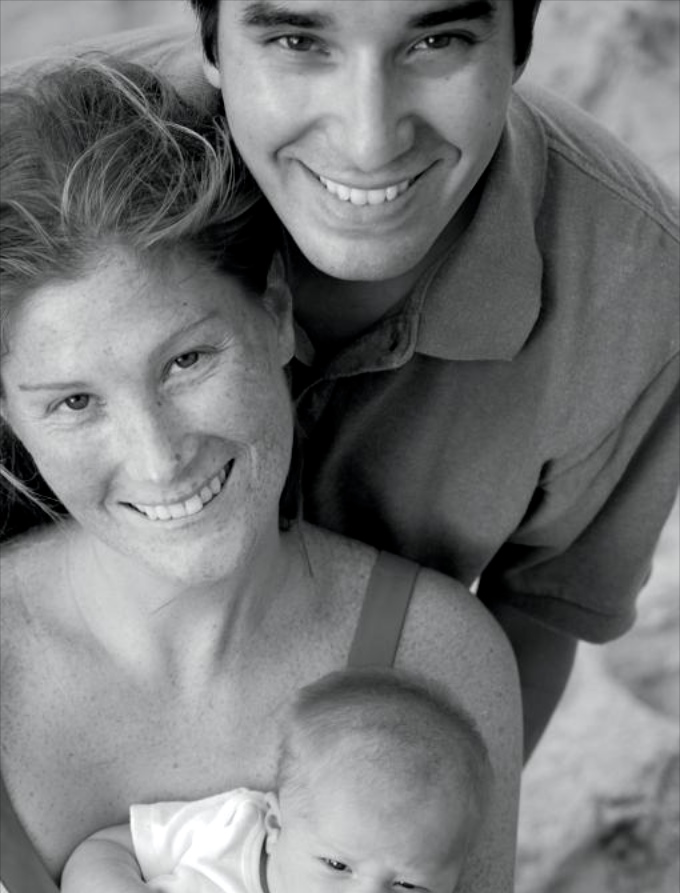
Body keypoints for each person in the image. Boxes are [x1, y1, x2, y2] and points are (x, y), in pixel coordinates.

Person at [9, 0, 675, 770]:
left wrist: (410, 833)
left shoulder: (636, 284)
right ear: (211, 41)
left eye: (437, 40)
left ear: (518, 46)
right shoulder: (23, 199)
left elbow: (539, 611)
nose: (367, 142)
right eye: (298, 40)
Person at [0, 58, 521, 893]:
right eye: (74, 402)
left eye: (188, 359)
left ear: (276, 312)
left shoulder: (435, 661)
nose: (159, 459)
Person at [1, 670, 492, 893]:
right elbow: (96, 857)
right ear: (275, 824)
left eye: (408, 884)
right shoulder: (231, 829)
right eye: (337, 864)